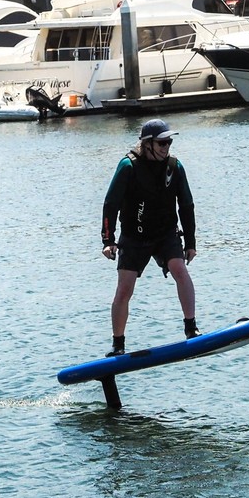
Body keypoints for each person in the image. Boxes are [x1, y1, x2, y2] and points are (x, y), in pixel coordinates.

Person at [100, 119, 198, 356]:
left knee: (180, 269)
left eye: (169, 142)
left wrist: (191, 243)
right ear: (147, 144)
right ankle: (118, 345)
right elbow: (110, 204)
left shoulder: (175, 167)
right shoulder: (128, 166)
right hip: (134, 237)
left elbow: (186, 205)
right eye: (162, 143)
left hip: (166, 234)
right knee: (124, 289)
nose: (166, 147)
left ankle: (191, 328)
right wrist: (108, 240)